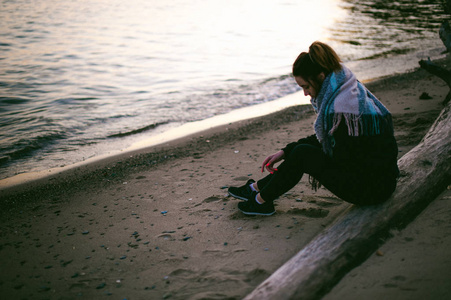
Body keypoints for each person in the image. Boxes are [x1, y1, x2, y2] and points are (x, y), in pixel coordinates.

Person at [228, 41, 399, 216]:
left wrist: (297, 156)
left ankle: (260, 201)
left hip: (372, 189)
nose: (305, 93)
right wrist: (285, 152)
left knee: (303, 154)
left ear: (321, 76)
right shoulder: (348, 91)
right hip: (380, 181)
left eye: (306, 86)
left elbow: (335, 151)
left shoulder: (342, 108)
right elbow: (330, 139)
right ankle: (257, 190)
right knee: (302, 152)